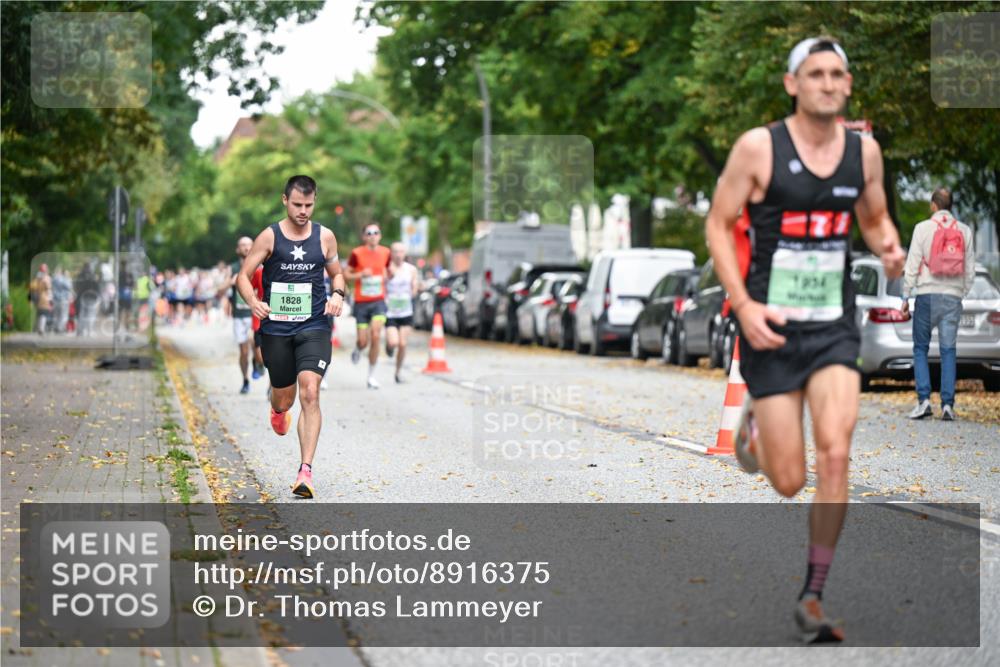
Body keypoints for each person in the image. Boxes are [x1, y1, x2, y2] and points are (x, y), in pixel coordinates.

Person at [704, 36, 905, 643]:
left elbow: (872, 217)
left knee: (837, 451)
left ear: (847, 85)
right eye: (814, 73)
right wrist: (742, 304)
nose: (826, 82)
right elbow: (717, 224)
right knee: (789, 480)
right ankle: (755, 432)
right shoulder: (759, 148)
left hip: (833, 326)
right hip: (769, 324)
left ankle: (812, 595)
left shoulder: (863, 153)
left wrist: (889, 246)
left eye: (836, 74)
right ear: (793, 84)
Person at [237, 175, 345, 499]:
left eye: (309, 205)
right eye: (297, 204)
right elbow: (242, 276)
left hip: (313, 324)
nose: (303, 211)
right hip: (276, 329)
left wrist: (338, 293)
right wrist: (253, 302)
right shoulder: (269, 237)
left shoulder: (325, 237)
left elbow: (337, 272)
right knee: (285, 397)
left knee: (310, 392)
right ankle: (278, 410)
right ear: (285, 200)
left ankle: (305, 471)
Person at [900, 187, 975, 421]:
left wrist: (905, 295)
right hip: (952, 297)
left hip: (926, 295)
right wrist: (960, 292)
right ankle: (947, 405)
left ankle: (923, 401)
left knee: (920, 348)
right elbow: (970, 271)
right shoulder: (965, 231)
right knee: (948, 350)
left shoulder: (922, 228)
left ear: (934, 205)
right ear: (951, 205)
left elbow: (912, 263)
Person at [345, 223, 391, 389]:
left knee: (376, 335)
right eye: (369, 233)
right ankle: (358, 348)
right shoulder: (357, 253)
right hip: (361, 302)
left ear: (380, 235)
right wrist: (360, 274)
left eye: (376, 233)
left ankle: (371, 376)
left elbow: (388, 270)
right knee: (363, 341)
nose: (372, 235)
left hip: (378, 300)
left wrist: (389, 275)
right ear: (364, 236)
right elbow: (346, 273)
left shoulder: (386, 252)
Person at [384, 242, 419, 383]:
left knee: (403, 344)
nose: (398, 255)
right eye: (396, 252)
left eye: (401, 252)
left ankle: (398, 372)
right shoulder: (386, 269)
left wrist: (414, 291)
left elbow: (414, 285)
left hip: (406, 311)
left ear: (405, 253)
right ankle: (389, 346)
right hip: (390, 312)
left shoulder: (411, 269)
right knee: (394, 342)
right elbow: (381, 285)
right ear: (391, 253)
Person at [229, 237, 256, 394]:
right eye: (242, 245)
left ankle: (257, 362)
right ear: (237, 249)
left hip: (255, 314)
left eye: (248, 245)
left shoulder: (258, 265)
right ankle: (245, 380)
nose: (246, 248)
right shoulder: (232, 268)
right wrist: (231, 281)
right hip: (239, 315)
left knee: (255, 344)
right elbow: (219, 289)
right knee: (243, 351)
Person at [29, 264, 53, 335]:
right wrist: (51, 299)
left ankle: (36, 328)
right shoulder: (47, 278)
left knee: (39, 313)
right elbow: (49, 289)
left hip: (37, 297)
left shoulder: (37, 278)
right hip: (44, 298)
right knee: (44, 313)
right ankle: (41, 329)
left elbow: (32, 288)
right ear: (46, 270)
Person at [51, 267, 74, 334]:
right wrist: (67, 278)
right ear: (60, 272)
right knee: (64, 315)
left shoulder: (53, 279)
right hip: (63, 300)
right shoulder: (63, 280)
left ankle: (55, 328)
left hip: (55, 300)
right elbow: (69, 287)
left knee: (56, 315)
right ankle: (60, 328)